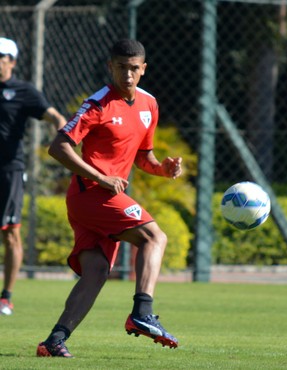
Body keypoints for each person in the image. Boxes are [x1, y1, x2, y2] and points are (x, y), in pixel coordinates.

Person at [36, 38, 182, 358]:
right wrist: (101, 177)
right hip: (92, 194)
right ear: (110, 67)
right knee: (154, 237)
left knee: (96, 272)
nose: (127, 75)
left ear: (143, 69)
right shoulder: (97, 104)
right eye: (120, 68)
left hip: (99, 197)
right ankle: (142, 312)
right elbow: (58, 147)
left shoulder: (149, 105)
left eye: (133, 69)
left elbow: (144, 157)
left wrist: (163, 169)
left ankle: (54, 341)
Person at [0, 37, 67, 315]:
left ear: (12, 62)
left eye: (2, 56)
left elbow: (54, 116)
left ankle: (6, 297)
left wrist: (63, 133)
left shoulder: (23, 91)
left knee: (10, 235)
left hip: (9, 170)